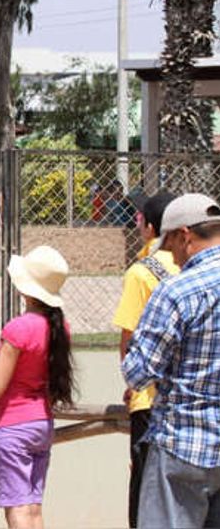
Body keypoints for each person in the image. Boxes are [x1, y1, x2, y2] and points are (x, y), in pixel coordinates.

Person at [123, 193, 220, 528]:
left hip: (182, 444)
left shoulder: (177, 291)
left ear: (185, 236)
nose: (172, 257)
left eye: (170, 246)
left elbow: (138, 372)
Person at [0, 245, 75, 529]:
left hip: (12, 425)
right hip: (41, 422)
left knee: (17, 508)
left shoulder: (18, 329)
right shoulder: (61, 327)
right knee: (33, 507)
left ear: (26, 289)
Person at [111, 190, 178, 528]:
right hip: (189, 397)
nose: (137, 222)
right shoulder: (200, 266)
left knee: (145, 490)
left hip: (149, 399)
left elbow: (129, 338)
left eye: (139, 218)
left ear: (152, 228)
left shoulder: (141, 272)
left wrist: (132, 382)